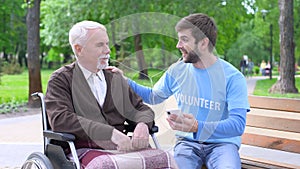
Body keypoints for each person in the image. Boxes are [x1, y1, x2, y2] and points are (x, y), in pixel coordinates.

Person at [113, 13, 250, 169]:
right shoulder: (178, 71)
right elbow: (153, 96)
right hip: (187, 144)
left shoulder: (232, 77)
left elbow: (238, 125)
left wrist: (198, 126)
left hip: (222, 145)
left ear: (203, 43)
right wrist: (125, 81)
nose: (178, 45)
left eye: (184, 40)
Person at [44, 21, 176, 168]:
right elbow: (61, 119)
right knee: (105, 165)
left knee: (164, 158)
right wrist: (110, 133)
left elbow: (141, 109)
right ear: (79, 49)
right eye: (100, 45)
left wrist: (143, 125)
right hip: (81, 148)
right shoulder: (61, 80)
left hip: (122, 147)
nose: (107, 50)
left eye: (107, 44)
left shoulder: (114, 78)